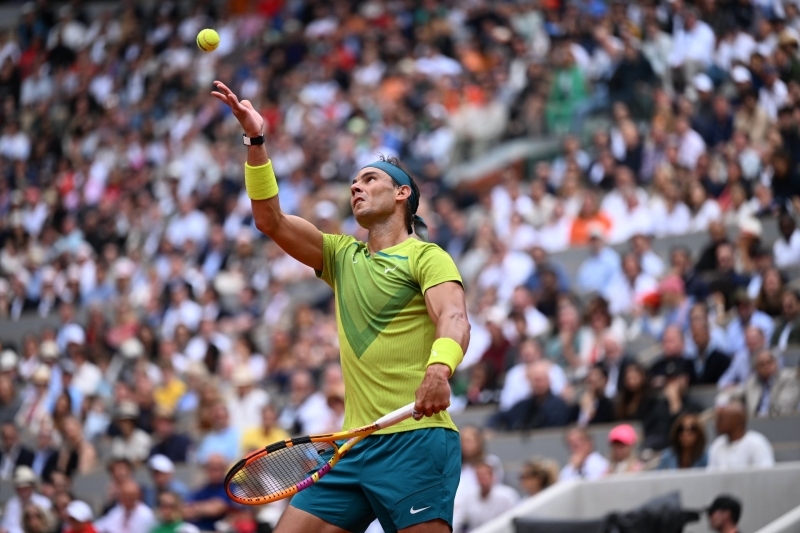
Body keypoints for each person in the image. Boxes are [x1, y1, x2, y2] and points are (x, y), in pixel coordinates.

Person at [211, 80, 470, 533]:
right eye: (353, 182)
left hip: (415, 439)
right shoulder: (340, 256)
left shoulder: (427, 257)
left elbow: (454, 317)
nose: (356, 187)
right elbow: (269, 219)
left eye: (370, 179)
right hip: (354, 448)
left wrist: (439, 369)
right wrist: (255, 140)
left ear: (402, 194)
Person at [707, 400, 775, 470]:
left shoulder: (757, 443)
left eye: (721, 419)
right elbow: (711, 475)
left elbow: (765, 474)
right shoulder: (717, 445)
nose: (716, 424)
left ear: (735, 421)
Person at [452, 463, 519, 533]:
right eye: (479, 475)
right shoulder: (469, 496)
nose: (481, 478)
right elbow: (458, 520)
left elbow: (514, 519)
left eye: (484, 475)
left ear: (492, 476)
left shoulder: (507, 496)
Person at [739, 349, 800, 417]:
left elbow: (783, 408)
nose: (766, 366)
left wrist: (761, 417)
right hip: (755, 420)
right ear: (756, 368)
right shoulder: (752, 381)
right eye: (762, 364)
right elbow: (738, 392)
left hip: (777, 421)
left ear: (776, 362)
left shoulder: (788, 378)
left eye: (769, 362)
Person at [0, 466, 52, 533]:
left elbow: (48, 526)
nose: (22, 491)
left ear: (32, 486)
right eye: (19, 488)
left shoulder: (44, 502)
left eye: (25, 488)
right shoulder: (11, 503)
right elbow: (4, 527)